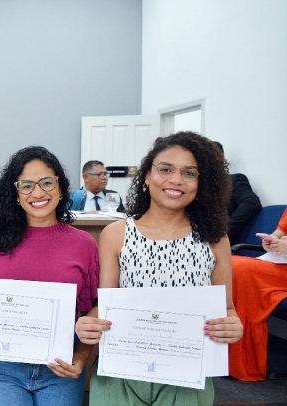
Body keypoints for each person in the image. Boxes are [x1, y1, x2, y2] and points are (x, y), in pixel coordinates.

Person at [76, 132, 243, 405]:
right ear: (146, 176)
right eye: (165, 169)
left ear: (201, 183)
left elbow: (227, 311)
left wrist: (233, 326)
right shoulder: (115, 234)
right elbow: (106, 304)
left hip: (188, 374)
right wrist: (87, 323)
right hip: (121, 373)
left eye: (189, 173)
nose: (176, 179)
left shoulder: (215, 238)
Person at [0, 146, 98, 406]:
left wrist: (81, 357)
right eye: (26, 185)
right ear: (15, 193)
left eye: (46, 182)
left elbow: (90, 309)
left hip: (59, 368)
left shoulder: (84, 245)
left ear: (60, 186)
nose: (38, 193)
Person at [229, 208, 287, 381]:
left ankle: (245, 361)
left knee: (240, 270)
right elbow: (278, 234)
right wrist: (271, 242)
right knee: (228, 264)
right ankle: (220, 353)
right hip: (279, 262)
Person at [213, 141, 262, 244]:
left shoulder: (234, 180)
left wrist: (224, 233)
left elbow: (251, 202)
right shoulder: (194, 187)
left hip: (219, 243)